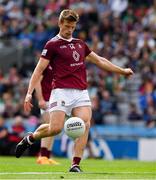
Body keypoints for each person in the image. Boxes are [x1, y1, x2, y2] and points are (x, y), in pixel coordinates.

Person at [15, 9, 133, 172]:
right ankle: (30, 138)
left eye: (72, 27)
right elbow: (38, 70)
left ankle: (75, 164)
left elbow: (99, 60)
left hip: (80, 93)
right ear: (60, 23)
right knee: (54, 129)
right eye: (67, 26)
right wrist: (29, 94)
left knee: (85, 124)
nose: (69, 29)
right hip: (61, 92)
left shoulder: (80, 44)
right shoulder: (52, 45)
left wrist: (122, 71)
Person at [35, 65, 59, 165]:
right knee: (49, 126)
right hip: (46, 100)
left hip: (55, 99)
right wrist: (40, 99)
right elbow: (37, 82)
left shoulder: (57, 63)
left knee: (53, 129)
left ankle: (47, 156)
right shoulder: (44, 64)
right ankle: (42, 156)